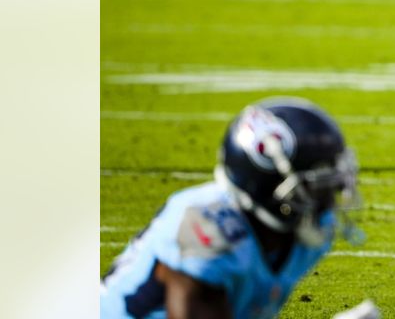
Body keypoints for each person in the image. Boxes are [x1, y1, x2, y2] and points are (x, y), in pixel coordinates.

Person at [100, 97, 374, 319]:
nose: (331, 199)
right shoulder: (206, 228)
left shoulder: (305, 231)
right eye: (316, 187)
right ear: (272, 187)